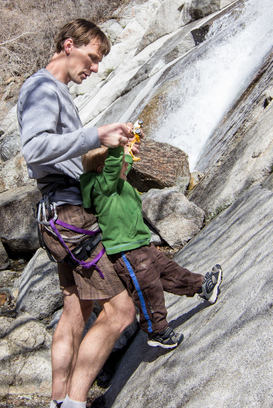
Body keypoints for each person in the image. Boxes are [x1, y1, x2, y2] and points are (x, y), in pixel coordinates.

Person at [17, 19, 137, 408]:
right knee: (120, 311)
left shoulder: (53, 92)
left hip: (62, 213)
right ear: (69, 46)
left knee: (76, 310)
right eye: (92, 57)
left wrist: (109, 154)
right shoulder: (44, 88)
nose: (95, 67)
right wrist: (96, 135)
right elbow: (36, 150)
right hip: (70, 218)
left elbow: (64, 156)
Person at [80, 144, 223, 349]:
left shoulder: (113, 182)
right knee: (148, 290)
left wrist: (127, 149)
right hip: (126, 251)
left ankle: (202, 286)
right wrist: (115, 144)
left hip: (141, 244)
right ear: (104, 171)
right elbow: (114, 167)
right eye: (121, 165)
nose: (126, 169)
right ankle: (157, 331)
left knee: (169, 272)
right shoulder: (102, 188)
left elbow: (120, 166)